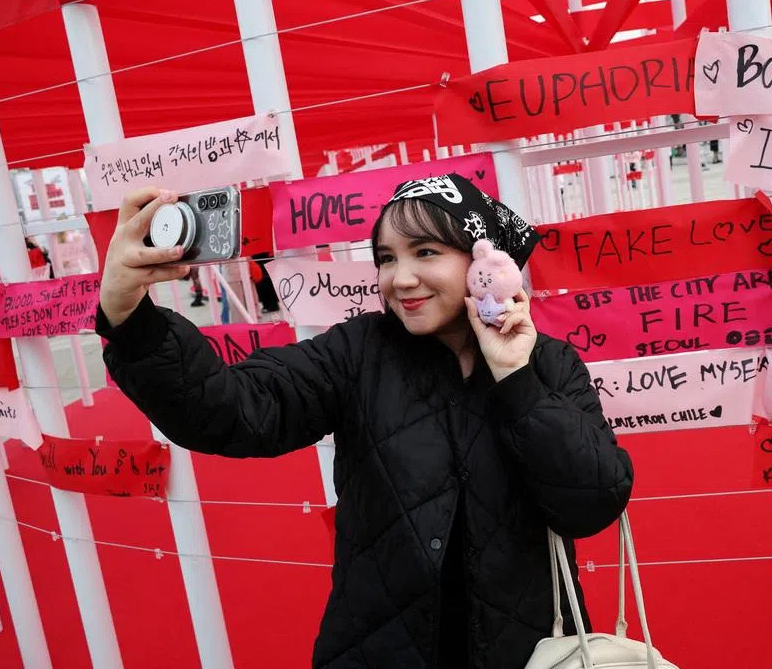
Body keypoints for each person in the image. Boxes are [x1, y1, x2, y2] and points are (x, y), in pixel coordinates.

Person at [95, 175, 634, 669]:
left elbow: (591, 502)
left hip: (531, 651)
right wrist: (130, 319)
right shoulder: (358, 352)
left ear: (483, 261)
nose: (400, 279)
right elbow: (233, 409)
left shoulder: (549, 362)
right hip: (378, 649)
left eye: (425, 252)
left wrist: (516, 377)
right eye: (385, 258)